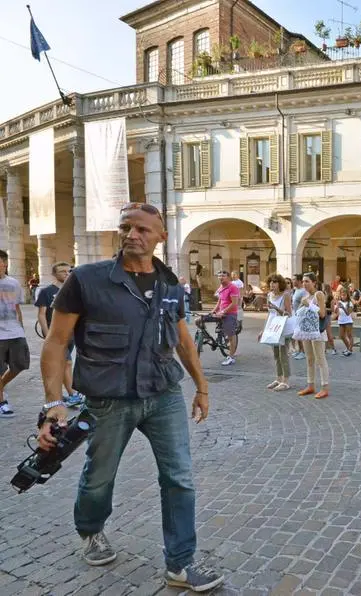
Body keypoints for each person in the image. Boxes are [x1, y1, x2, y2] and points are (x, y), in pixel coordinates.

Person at [36, 202, 223, 592]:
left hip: (164, 392)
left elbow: (184, 338)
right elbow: (56, 342)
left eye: (142, 229)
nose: (132, 235)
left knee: (180, 478)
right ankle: (90, 530)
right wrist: (53, 404)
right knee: (99, 477)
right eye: (126, 228)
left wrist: (201, 386)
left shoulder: (171, 284)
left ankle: (181, 563)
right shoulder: (87, 279)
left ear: (160, 237)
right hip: (108, 398)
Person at [35, 262, 84, 407]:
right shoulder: (46, 291)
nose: (66, 273)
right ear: (54, 274)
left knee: (64, 363)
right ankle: (72, 394)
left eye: (68, 271)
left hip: (72, 334)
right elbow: (41, 315)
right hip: (56, 335)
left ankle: (64, 394)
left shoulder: (73, 291)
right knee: (67, 362)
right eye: (62, 271)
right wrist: (46, 333)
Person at [0, 250, 28, 418]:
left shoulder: (14, 283)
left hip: (14, 331)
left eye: (3, 262)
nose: (1, 265)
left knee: (20, 364)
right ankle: (2, 403)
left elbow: (17, 308)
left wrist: (22, 328)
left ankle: (1, 386)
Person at [294, 272, 329, 399]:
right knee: (309, 359)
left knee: (320, 359)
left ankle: (325, 387)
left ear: (314, 282)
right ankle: (310, 385)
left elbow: (322, 314)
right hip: (306, 331)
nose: (304, 283)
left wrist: (309, 305)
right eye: (303, 281)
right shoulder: (305, 296)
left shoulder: (318, 294)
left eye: (307, 281)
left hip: (317, 331)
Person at [260, 274, 292, 391]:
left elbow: (289, 313)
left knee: (283, 354)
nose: (272, 284)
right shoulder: (269, 295)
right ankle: (278, 378)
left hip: (282, 326)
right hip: (272, 326)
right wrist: (264, 330)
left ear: (280, 284)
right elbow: (269, 314)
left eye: (275, 282)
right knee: (276, 355)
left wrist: (276, 308)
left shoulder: (286, 295)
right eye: (271, 282)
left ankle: (286, 381)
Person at [210, 271, 240, 366]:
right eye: (219, 276)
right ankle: (205, 340)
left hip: (229, 314)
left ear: (228, 277)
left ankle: (231, 357)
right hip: (220, 313)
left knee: (231, 336)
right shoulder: (221, 288)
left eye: (223, 276)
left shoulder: (233, 287)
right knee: (199, 320)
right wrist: (213, 311)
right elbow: (220, 301)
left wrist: (223, 312)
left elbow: (234, 303)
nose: (221, 277)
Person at [335, 285, 355, 356]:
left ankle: (350, 350)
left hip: (348, 321)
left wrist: (342, 307)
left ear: (347, 295)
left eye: (344, 295)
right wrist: (336, 307)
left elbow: (348, 313)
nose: (343, 296)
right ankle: (348, 347)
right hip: (341, 320)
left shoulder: (350, 303)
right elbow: (336, 312)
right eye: (342, 295)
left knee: (349, 335)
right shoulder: (339, 302)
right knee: (341, 336)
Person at [291, 274, 307, 360]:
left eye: (294, 280)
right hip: (296, 315)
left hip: (301, 315)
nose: (292, 281)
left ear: (299, 281)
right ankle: (300, 350)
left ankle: (303, 351)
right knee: (297, 334)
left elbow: (305, 303)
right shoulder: (296, 290)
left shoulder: (303, 291)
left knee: (300, 334)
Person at [322, 284, 337, 355]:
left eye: (323, 287)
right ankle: (324, 349)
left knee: (329, 333)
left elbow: (332, 309)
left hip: (327, 316)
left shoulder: (330, 297)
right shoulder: (322, 295)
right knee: (323, 333)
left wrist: (324, 308)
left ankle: (333, 349)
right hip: (322, 316)